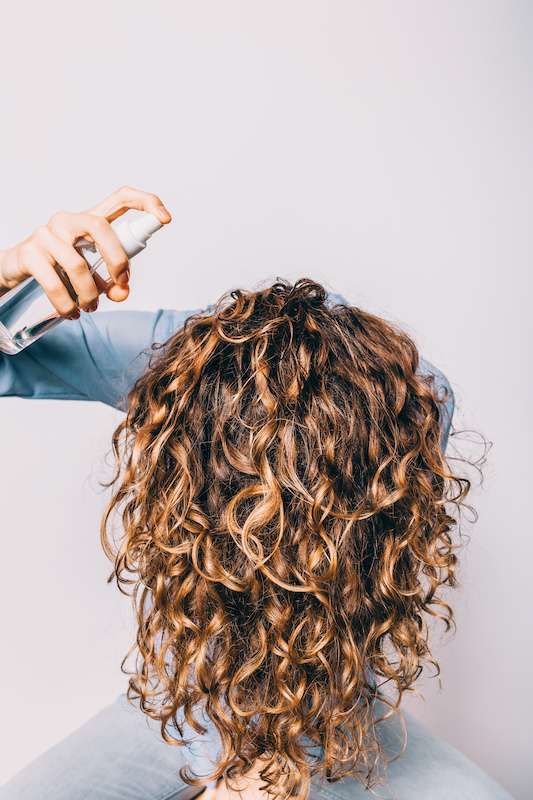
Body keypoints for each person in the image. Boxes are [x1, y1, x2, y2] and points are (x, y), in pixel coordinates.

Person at [0, 188, 513, 800]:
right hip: (183, 699)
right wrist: (8, 272)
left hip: (334, 713)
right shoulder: (184, 367)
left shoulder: (415, 403)